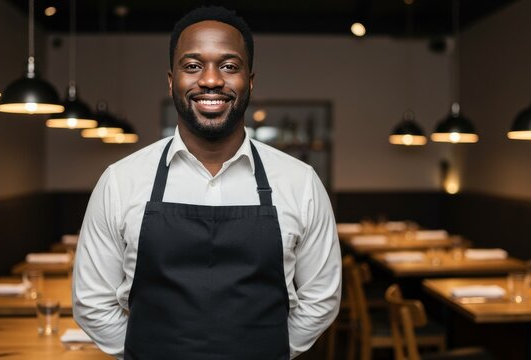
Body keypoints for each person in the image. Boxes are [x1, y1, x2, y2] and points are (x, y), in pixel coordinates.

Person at [73, 6, 341, 360]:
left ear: (250, 80)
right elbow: (92, 301)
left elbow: (321, 298)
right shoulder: (120, 181)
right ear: (171, 80)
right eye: (193, 66)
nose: (211, 80)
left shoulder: (300, 182)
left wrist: (266, 351)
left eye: (229, 66)